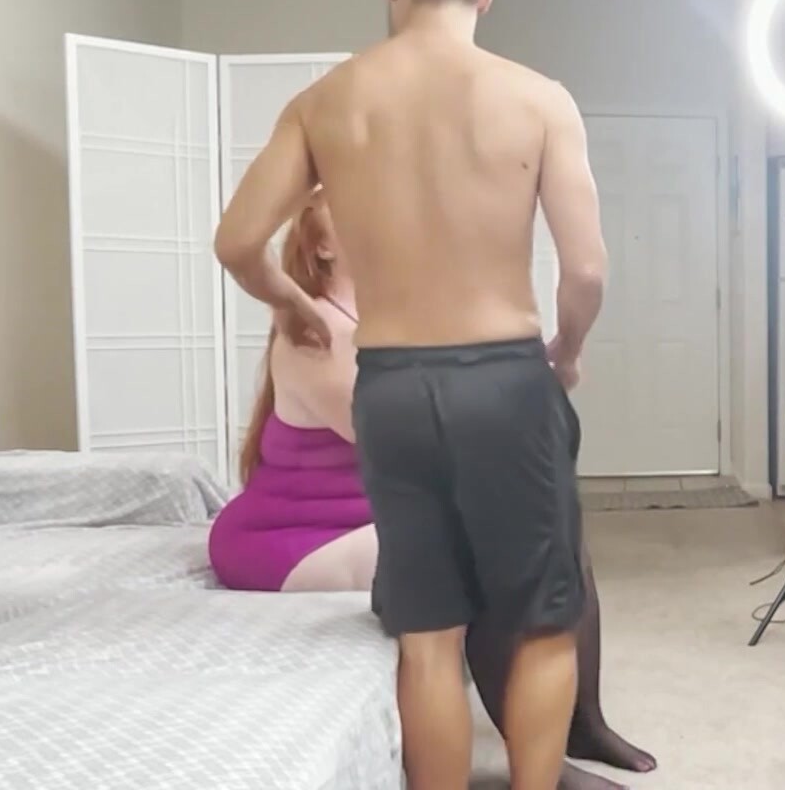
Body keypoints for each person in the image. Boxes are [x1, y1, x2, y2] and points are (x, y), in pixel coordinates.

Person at [215, 0, 608, 790]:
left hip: (391, 386)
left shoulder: (325, 103)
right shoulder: (539, 99)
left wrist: (294, 304)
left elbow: (237, 241)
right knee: (543, 622)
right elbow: (585, 270)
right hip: (506, 381)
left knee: (428, 636)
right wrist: (569, 350)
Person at [206, 190, 654, 789]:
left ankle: (585, 723)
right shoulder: (316, 331)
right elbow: (406, 441)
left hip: (374, 509)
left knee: (556, 536)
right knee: (481, 564)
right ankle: (542, 767)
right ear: (322, 246)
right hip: (294, 534)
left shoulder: (397, 319)